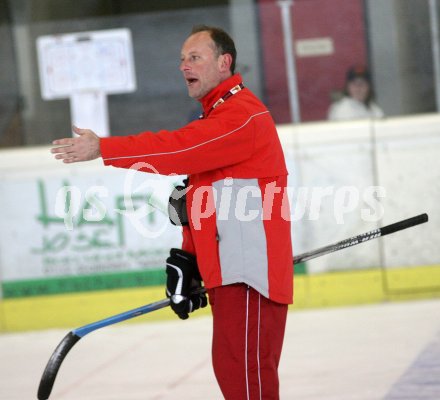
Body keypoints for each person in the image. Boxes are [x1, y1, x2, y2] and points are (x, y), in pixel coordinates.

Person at [51, 25, 293, 399]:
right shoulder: (217, 119)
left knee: (247, 380)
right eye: (181, 59)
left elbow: (178, 149)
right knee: (234, 373)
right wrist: (187, 259)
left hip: (250, 278)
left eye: (194, 57)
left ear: (224, 62)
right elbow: (197, 198)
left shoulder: (242, 116)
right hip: (231, 273)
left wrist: (106, 148)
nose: (183, 66)